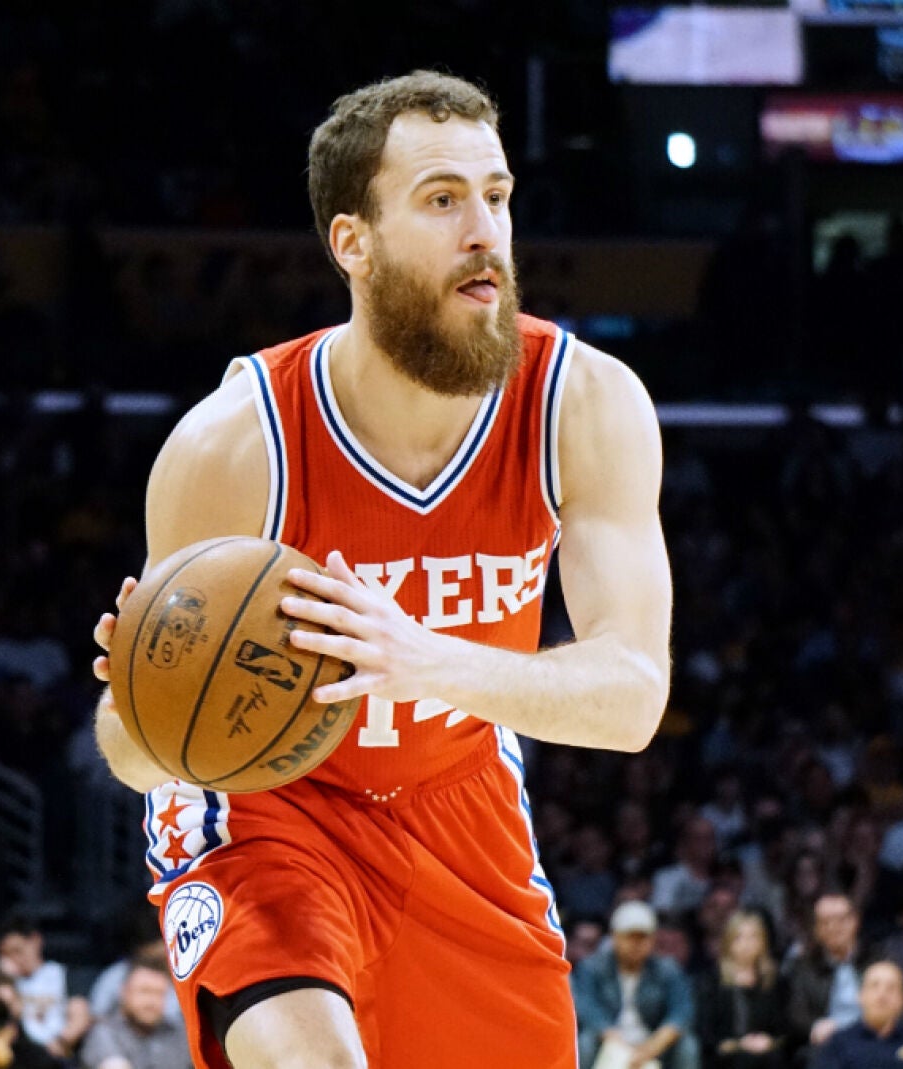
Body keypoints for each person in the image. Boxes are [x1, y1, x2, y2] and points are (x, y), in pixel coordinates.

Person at [89, 70, 672, 1069]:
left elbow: (631, 698)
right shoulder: (238, 440)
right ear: (351, 243)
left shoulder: (584, 403)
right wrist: (145, 704)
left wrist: (424, 660)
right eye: (442, 200)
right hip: (273, 809)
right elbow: (135, 752)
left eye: (496, 196)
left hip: (461, 807)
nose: (484, 229)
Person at [573, 901, 700, 1069]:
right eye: (630, 937)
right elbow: (587, 1008)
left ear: (653, 939)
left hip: (652, 1040)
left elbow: (682, 1011)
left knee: (687, 1045)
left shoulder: (668, 969)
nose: (636, 944)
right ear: (614, 936)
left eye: (643, 937)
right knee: (585, 1041)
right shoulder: (592, 967)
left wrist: (652, 1047)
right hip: (609, 1039)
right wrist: (616, 1042)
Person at [698, 909, 791, 1068]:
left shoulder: (776, 981)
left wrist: (770, 1042)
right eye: (739, 938)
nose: (747, 944)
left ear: (763, 942)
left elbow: (786, 1026)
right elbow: (706, 1032)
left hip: (767, 1052)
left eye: (753, 937)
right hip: (726, 1054)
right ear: (728, 942)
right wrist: (739, 1044)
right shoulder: (712, 981)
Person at [788, 894, 878, 1057]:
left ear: (855, 921)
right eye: (825, 922)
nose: (833, 927)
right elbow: (797, 1013)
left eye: (840, 920)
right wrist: (815, 1026)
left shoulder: (877, 959)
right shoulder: (804, 966)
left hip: (872, 1035)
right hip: (827, 1041)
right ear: (816, 929)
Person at [0, 913, 93, 1059]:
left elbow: (80, 1018)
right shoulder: (5, 984)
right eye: (7, 955)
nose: (15, 959)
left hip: (60, 1054)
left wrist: (58, 1044)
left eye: (17, 950)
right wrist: (5, 981)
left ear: (35, 940)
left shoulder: (64, 975)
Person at [812, 961, 903, 1069]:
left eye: (891, 988)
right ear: (860, 996)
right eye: (874, 986)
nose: (882, 995)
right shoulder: (838, 1044)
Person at [79, 953, 194, 1069]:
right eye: (144, 991)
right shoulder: (105, 1032)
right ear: (124, 992)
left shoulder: (179, 1033)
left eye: (159, 993)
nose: (151, 1001)